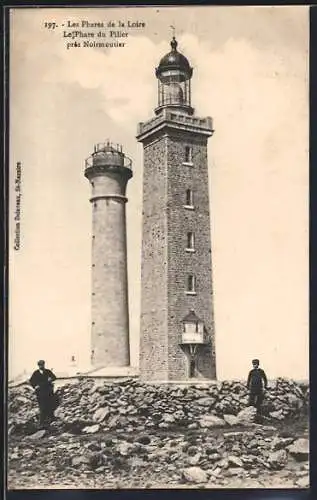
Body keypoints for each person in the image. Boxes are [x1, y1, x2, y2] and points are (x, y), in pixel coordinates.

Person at [30, 360, 57, 427]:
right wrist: (35, 386)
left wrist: (51, 379)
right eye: (40, 365)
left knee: (50, 405)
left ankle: (51, 419)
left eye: (42, 364)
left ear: (44, 365)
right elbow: (31, 381)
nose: (41, 366)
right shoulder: (36, 373)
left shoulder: (48, 371)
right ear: (38, 366)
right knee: (42, 406)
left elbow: (54, 377)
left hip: (48, 391)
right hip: (40, 392)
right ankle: (42, 422)